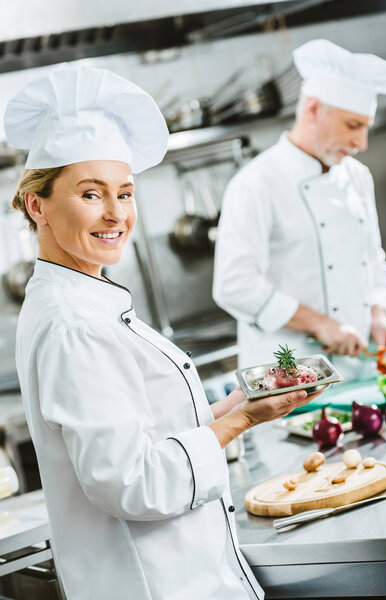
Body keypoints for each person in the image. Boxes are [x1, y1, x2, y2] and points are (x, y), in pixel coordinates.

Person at [5, 65, 317, 600]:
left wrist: (235, 406)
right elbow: (133, 482)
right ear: (38, 205)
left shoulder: (82, 299)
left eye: (125, 193)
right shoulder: (74, 324)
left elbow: (140, 436)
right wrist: (240, 420)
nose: (115, 213)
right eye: (90, 194)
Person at [213, 39, 386, 381]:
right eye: (353, 126)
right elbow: (233, 285)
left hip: (360, 372)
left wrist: (377, 314)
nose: (362, 144)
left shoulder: (358, 176)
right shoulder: (255, 183)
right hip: (287, 380)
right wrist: (320, 325)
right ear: (313, 109)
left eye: (366, 128)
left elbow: (373, 262)